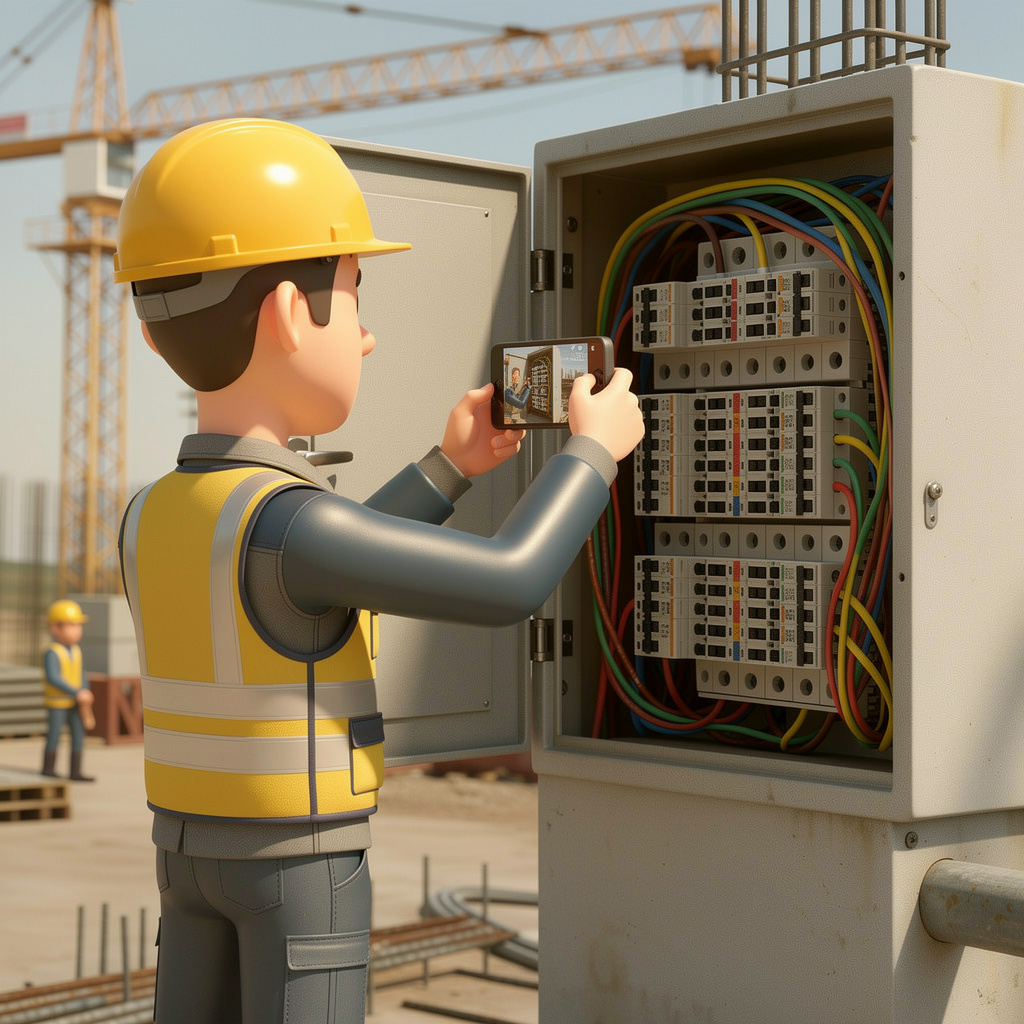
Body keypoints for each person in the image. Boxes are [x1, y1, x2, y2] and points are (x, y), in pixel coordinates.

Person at [114, 117, 644, 1024]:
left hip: (185, 855)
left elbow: (311, 573)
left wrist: (450, 468)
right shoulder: (289, 520)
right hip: (301, 868)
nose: (365, 339)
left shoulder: (154, 513)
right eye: (355, 300)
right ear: (289, 313)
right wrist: (592, 455)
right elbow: (509, 578)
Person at [41, 599, 95, 781]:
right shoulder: (53, 652)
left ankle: (75, 771)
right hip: (57, 703)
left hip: (76, 703)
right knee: (54, 734)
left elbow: (82, 674)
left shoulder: (77, 651)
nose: (77, 630)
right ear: (55, 628)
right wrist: (76, 692)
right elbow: (54, 678)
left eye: (78, 625)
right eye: (71, 625)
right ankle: (48, 768)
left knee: (78, 735)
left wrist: (85, 691)